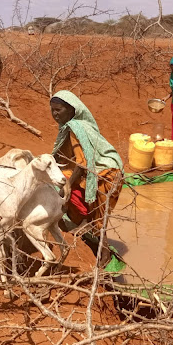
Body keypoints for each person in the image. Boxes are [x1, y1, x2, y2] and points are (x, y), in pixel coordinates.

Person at [50, 90, 124, 268]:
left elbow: (82, 164)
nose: (55, 114)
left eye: (59, 110)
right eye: (52, 110)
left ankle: (104, 254)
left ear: (71, 110)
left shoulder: (76, 128)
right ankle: (83, 229)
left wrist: (65, 188)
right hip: (104, 170)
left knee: (99, 215)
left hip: (108, 173)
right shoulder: (73, 127)